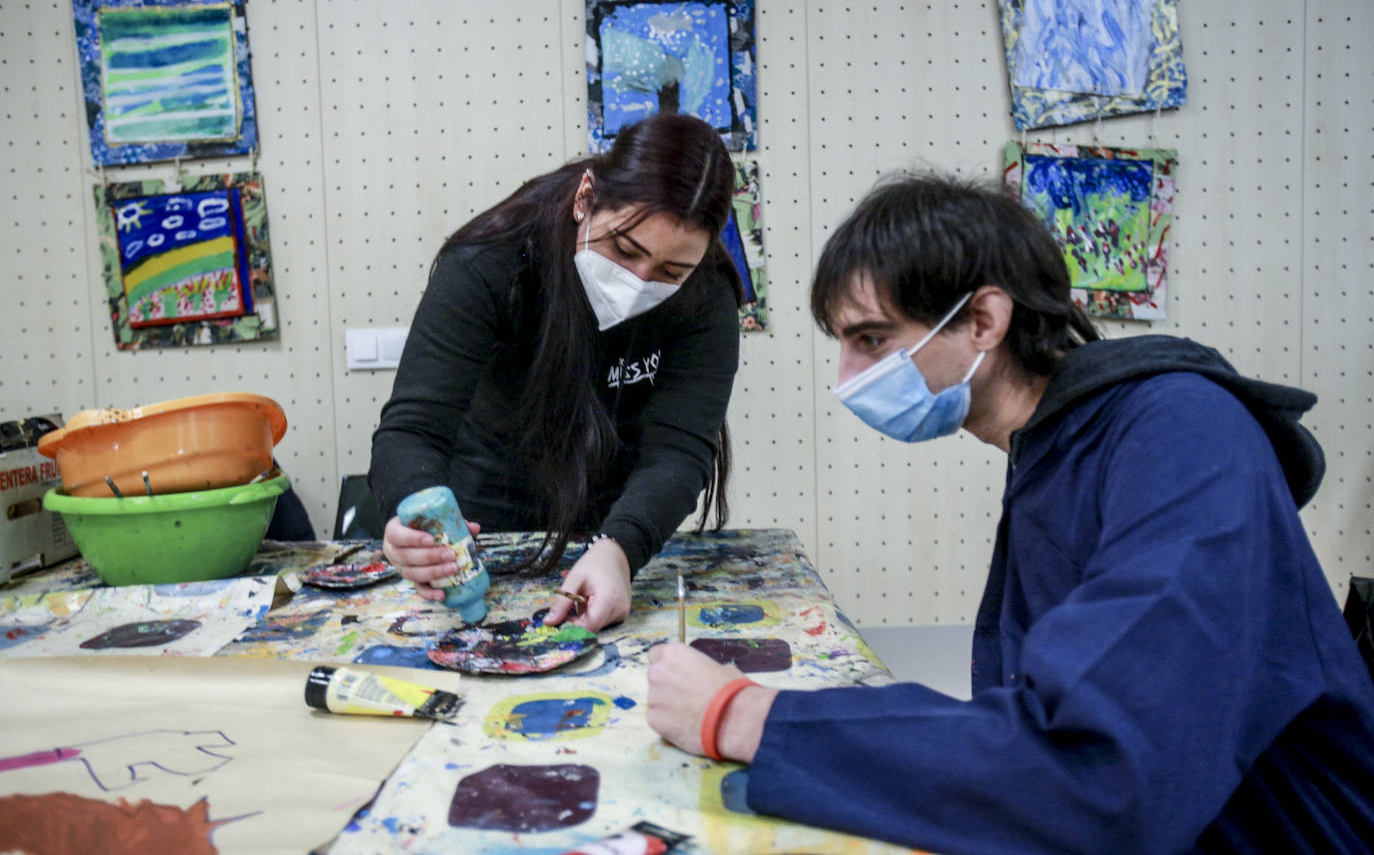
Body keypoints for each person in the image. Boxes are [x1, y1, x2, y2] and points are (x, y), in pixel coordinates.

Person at [646, 174, 1374, 852]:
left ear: (986, 319)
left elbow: (1099, 772)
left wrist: (744, 717)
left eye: (871, 339)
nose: (848, 381)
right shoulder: (1056, 445)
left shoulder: (1181, 432)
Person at [370, 114, 742, 631]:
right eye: (624, 249)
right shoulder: (490, 262)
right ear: (585, 197)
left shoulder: (708, 294)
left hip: (621, 520)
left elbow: (679, 449)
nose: (639, 283)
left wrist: (621, 549)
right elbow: (412, 429)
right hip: (487, 522)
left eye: (670, 272)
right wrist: (412, 519)